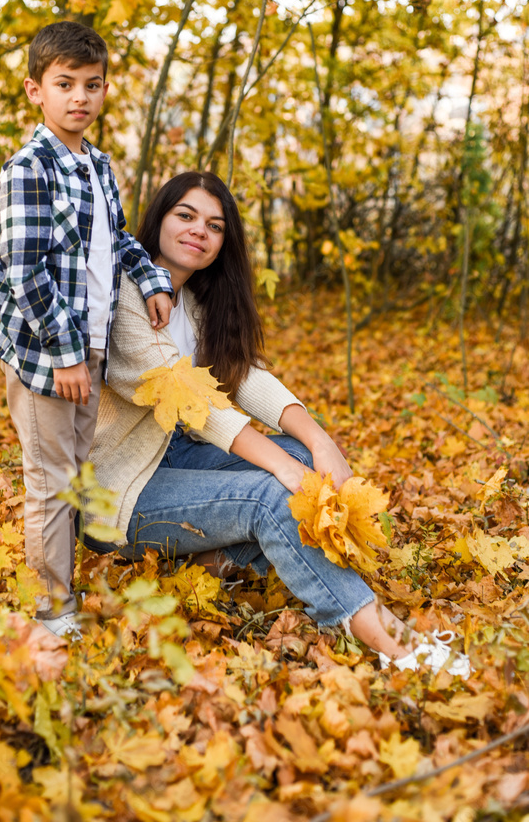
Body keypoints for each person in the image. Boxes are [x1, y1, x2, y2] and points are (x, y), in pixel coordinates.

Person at [86, 171, 471, 676]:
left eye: (215, 225)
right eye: (185, 215)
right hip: (121, 495)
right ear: (157, 219)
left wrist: (318, 440)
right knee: (272, 493)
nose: (199, 230)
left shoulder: (198, 303)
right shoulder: (125, 297)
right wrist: (282, 472)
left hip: (176, 459)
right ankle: (391, 643)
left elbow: (244, 378)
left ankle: (213, 562)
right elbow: (194, 402)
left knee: (303, 458)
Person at [0, 21, 174, 639]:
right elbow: (20, 269)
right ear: (34, 90)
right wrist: (65, 354)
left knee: (75, 468)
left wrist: (151, 281)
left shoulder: (96, 165)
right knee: (50, 478)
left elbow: (115, 240)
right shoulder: (28, 168)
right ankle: (50, 608)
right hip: (47, 357)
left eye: (91, 86)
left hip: (87, 351)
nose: (80, 98)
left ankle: (64, 577)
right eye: (64, 84)